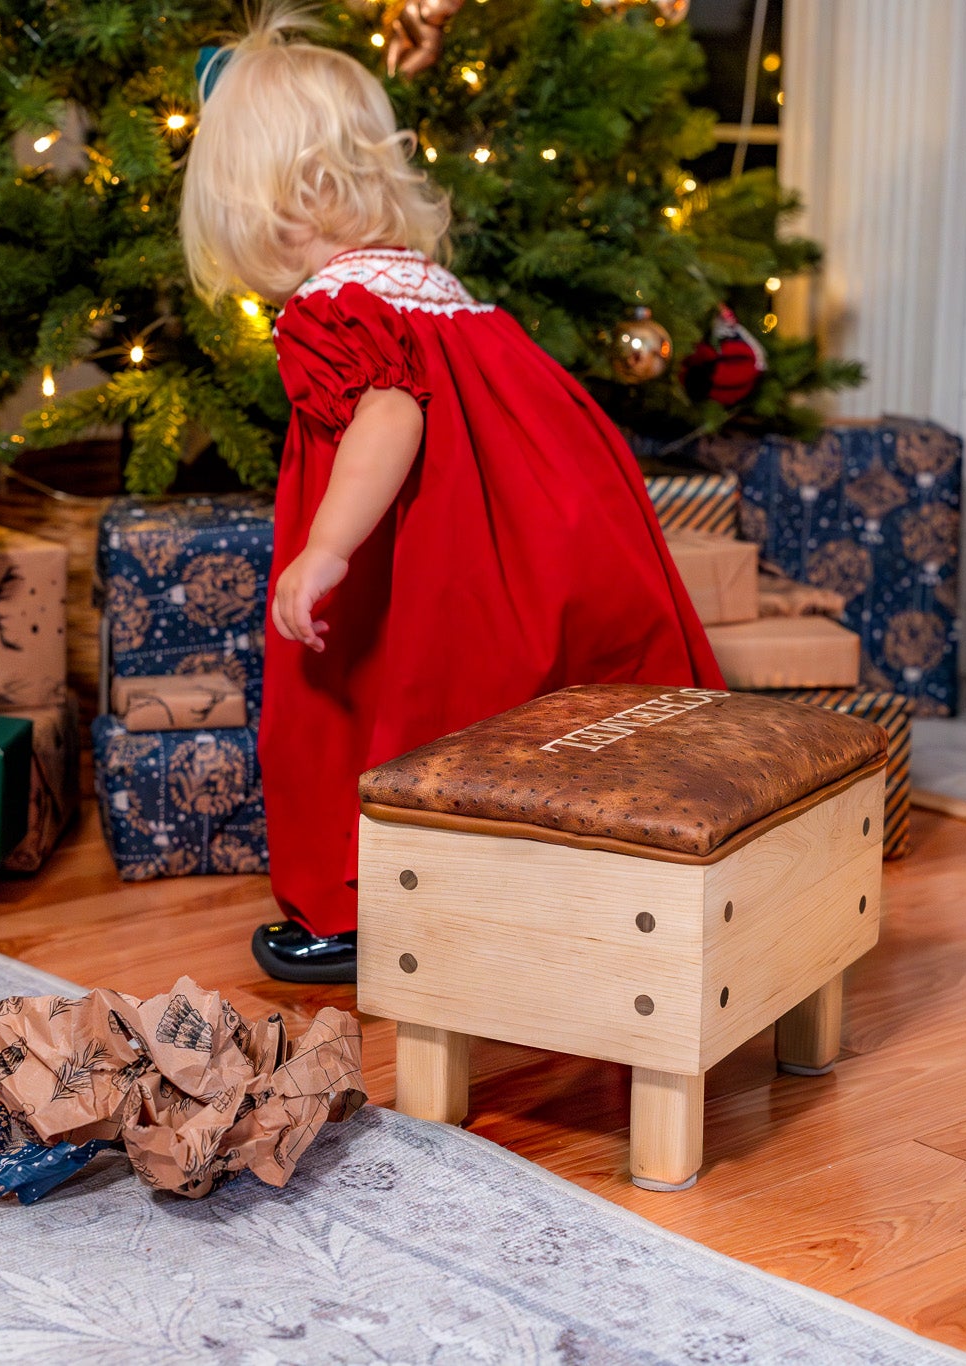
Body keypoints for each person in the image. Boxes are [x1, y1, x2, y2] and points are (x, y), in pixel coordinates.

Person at [181, 3, 724, 983]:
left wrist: (327, 549)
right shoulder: (425, 282)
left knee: (336, 702)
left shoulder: (330, 306)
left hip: (428, 557)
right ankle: (558, 893)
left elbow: (391, 417)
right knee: (526, 727)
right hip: (538, 530)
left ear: (268, 197)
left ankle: (351, 909)